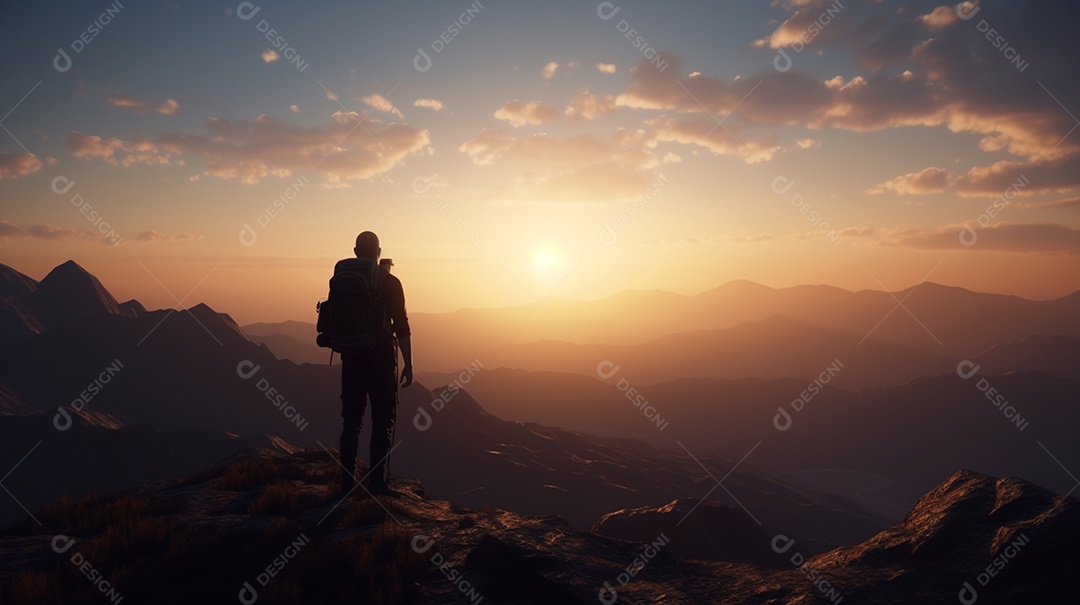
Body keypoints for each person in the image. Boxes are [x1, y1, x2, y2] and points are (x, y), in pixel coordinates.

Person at [339, 231, 412, 496]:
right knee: (381, 422)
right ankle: (377, 484)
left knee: (351, 421)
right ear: (378, 252)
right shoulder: (391, 282)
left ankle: (346, 482)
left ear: (356, 250)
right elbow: (402, 326)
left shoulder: (344, 278)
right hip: (381, 359)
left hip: (352, 356)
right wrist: (409, 363)